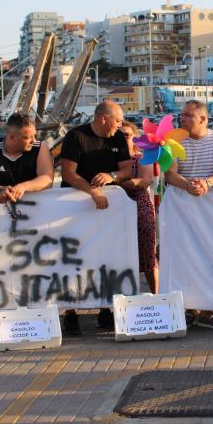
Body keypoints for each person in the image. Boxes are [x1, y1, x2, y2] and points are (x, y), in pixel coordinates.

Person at [59, 101, 132, 334]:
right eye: (117, 120)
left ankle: (105, 308)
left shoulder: (118, 138)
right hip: (74, 205)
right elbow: (68, 173)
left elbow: (127, 170)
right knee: (72, 259)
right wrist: (92, 191)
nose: (120, 125)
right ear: (103, 118)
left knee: (106, 256)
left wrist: (111, 176)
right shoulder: (75, 136)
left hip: (105, 208)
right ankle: (70, 313)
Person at [164, 100, 213, 330]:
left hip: (211, 208)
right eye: (181, 115)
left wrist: (206, 184)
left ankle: (207, 309)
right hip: (181, 206)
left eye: (187, 116)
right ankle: (187, 308)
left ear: (203, 119)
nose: (181, 119)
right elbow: (170, 174)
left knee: (210, 255)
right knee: (182, 256)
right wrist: (188, 186)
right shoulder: (174, 140)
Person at [0, 112, 54, 202]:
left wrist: (23, 187)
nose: (34, 140)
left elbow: (47, 179)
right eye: (27, 137)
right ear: (11, 137)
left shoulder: (40, 147)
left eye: (34, 135)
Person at [118, 121, 158, 293]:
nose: (122, 139)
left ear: (134, 138)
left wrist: (116, 182)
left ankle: (157, 296)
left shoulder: (142, 158)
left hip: (140, 210)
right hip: (116, 211)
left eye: (126, 135)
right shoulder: (112, 161)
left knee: (148, 256)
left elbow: (144, 181)